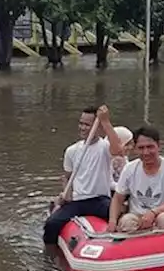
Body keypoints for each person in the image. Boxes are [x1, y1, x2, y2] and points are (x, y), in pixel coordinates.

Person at [43, 104, 123, 245]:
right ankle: (50, 256)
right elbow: (68, 177)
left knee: (120, 216)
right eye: (81, 123)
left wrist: (105, 121)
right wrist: (65, 195)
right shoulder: (72, 150)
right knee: (51, 224)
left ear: (97, 127)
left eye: (87, 124)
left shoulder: (104, 147)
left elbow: (118, 151)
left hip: (100, 200)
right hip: (78, 201)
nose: (82, 128)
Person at [110, 126, 164, 233]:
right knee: (127, 221)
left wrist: (153, 213)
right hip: (137, 216)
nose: (146, 152)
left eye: (150, 147)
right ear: (135, 149)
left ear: (158, 146)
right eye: (141, 148)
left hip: (163, 213)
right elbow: (118, 198)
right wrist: (112, 222)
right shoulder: (130, 168)